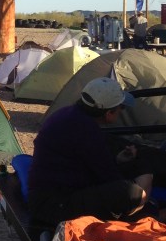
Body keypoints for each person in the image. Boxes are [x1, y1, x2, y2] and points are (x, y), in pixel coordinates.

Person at [27, 77, 153, 228]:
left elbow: (84, 163)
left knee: (126, 179)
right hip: (54, 206)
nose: (121, 111)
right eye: (121, 108)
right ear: (108, 113)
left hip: (49, 193)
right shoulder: (87, 132)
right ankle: (148, 211)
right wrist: (143, 187)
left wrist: (118, 161)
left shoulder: (67, 114)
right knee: (130, 192)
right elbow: (110, 179)